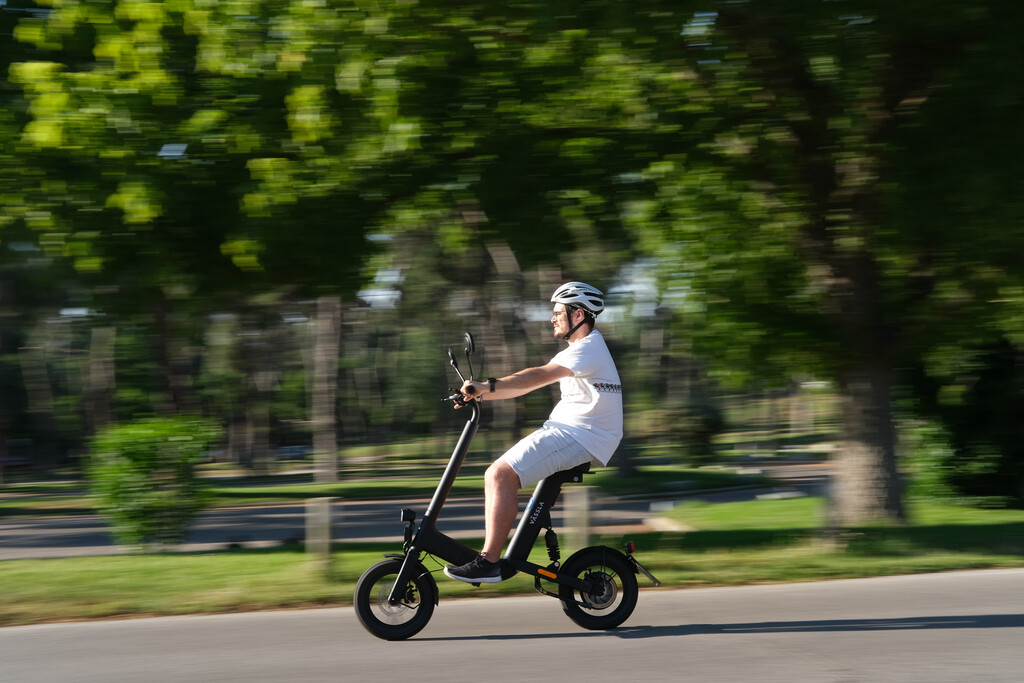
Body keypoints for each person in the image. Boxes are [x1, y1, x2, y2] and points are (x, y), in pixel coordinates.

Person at [443, 281, 623, 583]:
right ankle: (496, 557)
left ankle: (489, 561)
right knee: (497, 475)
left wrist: (485, 386)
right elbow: (522, 387)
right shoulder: (585, 349)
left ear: (578, 315)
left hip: (580, 434)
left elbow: (536, 377)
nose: (552, 318)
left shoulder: (588, 349)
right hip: (576, 432)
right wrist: (482, 393)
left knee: (499, 475)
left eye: (558, 312)